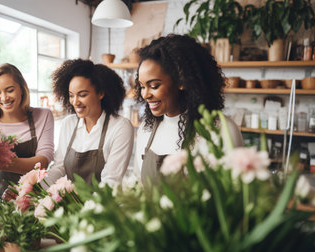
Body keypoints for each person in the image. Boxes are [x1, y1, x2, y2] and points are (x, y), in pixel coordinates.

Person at [134, 34, 243, 185]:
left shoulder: (223, 131)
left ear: (182, 81)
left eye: (154, 86)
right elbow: (138, 186)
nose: (145, 95)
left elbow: (234, 196)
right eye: (142, 86)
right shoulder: (145, 130)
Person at [45, 58, 134, 186]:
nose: (75, 102)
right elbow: (59, 168)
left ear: (101, 93)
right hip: (68, 203)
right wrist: (36, 189)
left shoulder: (120, 127)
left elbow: (111, 180)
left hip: (103, 203)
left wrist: (89, 206)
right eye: (71, 95)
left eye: (82, 95)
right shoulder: (68, 124)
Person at [0, 63, 54, 198]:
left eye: (10, 90)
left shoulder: (43, 116)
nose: (4, 98)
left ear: (22, 89)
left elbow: (42, 163)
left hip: (29, 203)